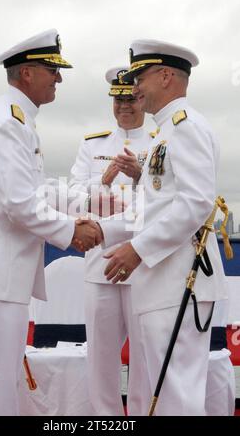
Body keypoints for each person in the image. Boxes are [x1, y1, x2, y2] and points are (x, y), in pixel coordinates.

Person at [0, 29, 102, 416]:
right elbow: (19, 203)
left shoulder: (18, 120)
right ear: (28, 72)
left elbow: (36, 190)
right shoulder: (7, 123)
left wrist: (86, 199)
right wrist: (72, 231)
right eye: (53, 70)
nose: (59, 79)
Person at [101, 39, 227, 415]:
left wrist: (137, 249)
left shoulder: (184, 127)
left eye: (141, 76)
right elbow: (161, 202)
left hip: (178, 280)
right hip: (164, 283)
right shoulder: (167, 131)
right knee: (163, 386)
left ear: (167, 76)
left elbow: (195, 202)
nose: (135, 86)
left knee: (176, 393)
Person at [70, 67, 152, 415]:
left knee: (146, 356)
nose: (124, 107)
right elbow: (73, 200)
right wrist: (101, 182)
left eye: (130, 99)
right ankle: (105, 419)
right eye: (118, 100)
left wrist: (141, 176)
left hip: (145, 264)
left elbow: (171, 199)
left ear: (142, 99)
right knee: (101, 355)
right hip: (100, 265)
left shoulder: (161, 142)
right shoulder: (93, 146)